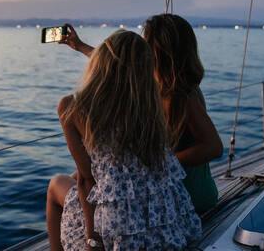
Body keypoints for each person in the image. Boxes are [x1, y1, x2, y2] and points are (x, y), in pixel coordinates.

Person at [46, 30, 201, 250]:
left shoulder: (72, 107)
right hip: (166, 230)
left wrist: (93, 240)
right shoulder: (150, 103)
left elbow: (86, 181)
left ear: (100, 62)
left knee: (56, 185)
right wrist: (81, 46)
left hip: (119, 231)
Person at [59, 15, 223, 213]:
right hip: (184, 192)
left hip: (182, 197)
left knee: (71, 181)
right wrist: (80, 46)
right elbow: (116, 66)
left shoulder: (176, 94)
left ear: (157, 50)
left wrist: (155, 165)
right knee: (79, 176)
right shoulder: (163, 86)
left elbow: (213, 147)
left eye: (146, 40)